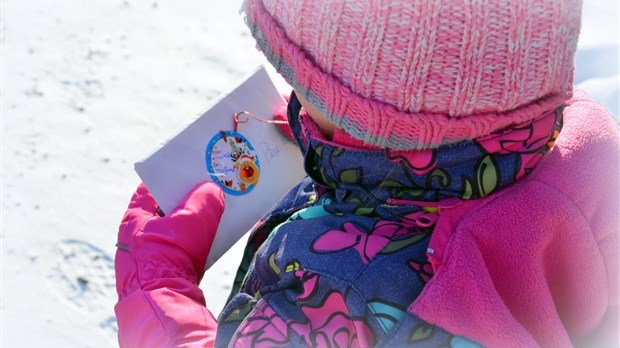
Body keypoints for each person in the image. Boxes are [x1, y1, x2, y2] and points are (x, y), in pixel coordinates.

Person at [114, 0, 619, 347]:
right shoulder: (588, 141)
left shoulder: (334, 295)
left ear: (372, 103)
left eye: (304, 79)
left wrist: (156, 290)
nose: (293, 97)